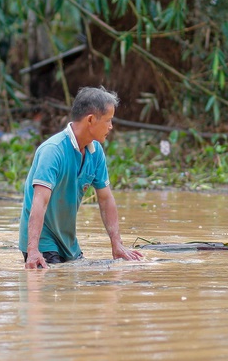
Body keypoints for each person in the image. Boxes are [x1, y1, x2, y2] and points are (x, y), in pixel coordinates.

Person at [19, 86, 143, 269]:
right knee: (52, 284)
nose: (111, 126)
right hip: (43, 242)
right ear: (91, 120)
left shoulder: (96, 152)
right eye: (108, 120)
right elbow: (40, 202)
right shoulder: (52, 151)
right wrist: (33, 250)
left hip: (69, 244)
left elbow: (106, 199)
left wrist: (117, 244)